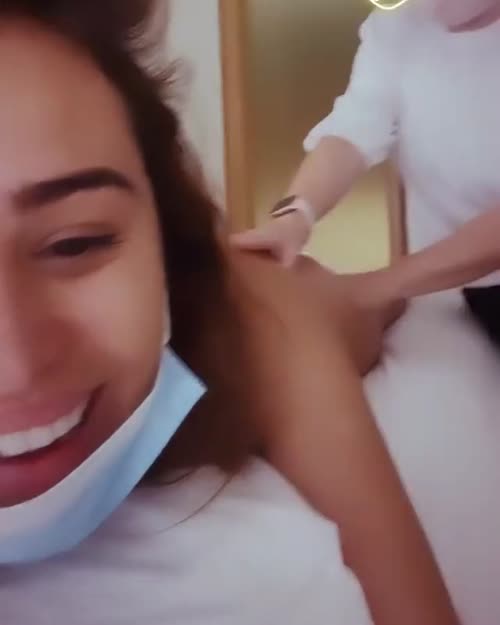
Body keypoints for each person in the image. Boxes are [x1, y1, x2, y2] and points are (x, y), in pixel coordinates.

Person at [0, 2, 460, 625]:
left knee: (333, 302)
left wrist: (382, 285)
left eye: (75, 243)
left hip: (292, 308)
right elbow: (353, 129)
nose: (17, 366)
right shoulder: (393, 39)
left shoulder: (252, 319)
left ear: (166, 237)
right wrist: (299, 212)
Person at [232, 0, 500, 306]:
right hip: (447, 296)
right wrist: (294, 217)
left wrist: (371, 288)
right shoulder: (397, 29)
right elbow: (353, 131)